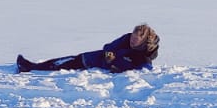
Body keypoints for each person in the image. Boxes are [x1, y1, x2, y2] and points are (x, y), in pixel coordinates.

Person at [16, 23, 160, 73]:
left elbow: (142, 70)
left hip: (91, 64)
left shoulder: (143, 58)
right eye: (133, 37)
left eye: (136, 39)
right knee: (65, 60)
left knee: (64, 63)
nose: (132, 40)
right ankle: (33, 66)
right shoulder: (126, 38)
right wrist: (110, 54)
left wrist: (115, 62)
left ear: (144, 41)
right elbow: (109, 47)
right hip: (92, 57)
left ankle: (30, 67)